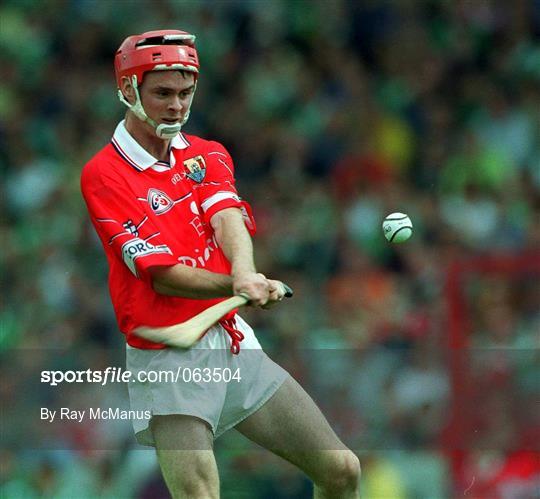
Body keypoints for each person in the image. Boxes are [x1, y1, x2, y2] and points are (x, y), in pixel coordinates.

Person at [81, 29, 360, 498]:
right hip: (167, 357)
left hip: (231, 343)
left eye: (185, 93)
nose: (176, 105)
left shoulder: (208, 154)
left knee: (342, 471)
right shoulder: (103, 174)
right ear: (128, 90)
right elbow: (162, 276)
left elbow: (227, 220)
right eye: (163, 93)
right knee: (200, 494)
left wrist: (245, 274)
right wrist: (235, 286)